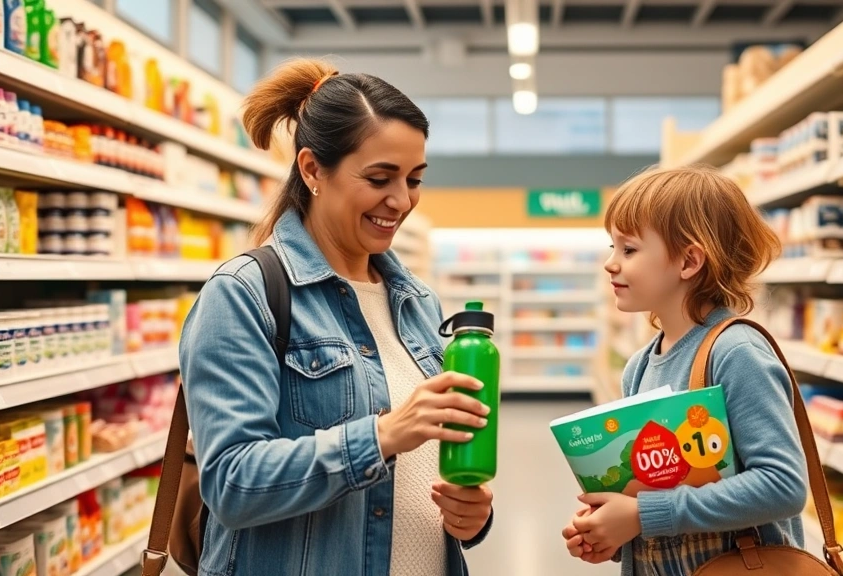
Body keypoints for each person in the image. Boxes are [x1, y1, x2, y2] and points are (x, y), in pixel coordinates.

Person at [179, 59, 494, 576]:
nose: (401, 200)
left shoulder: (418, 304)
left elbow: (425, 473)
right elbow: (232, 483)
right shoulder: (243, 295)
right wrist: (383, 435)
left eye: (414, 179)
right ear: (311, 170)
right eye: (379, 178)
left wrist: (472, 514)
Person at [562, 165, 806, 576]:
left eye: (629, 249)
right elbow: (658, 491)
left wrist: (641, 514)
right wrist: (612, 531)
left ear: (689, 261)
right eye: (612, 247)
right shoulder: (640, 366)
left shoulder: (735, 352)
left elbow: (782, 485)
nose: (610, 263)